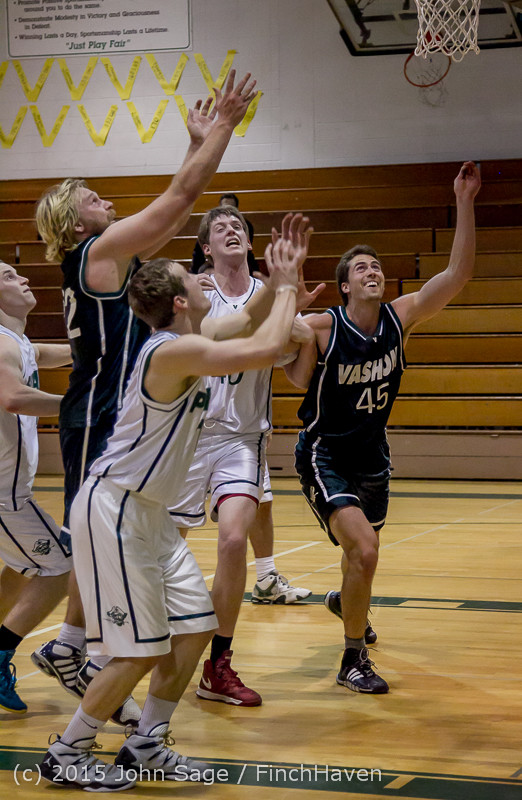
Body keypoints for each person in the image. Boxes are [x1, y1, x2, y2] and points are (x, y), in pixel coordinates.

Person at [39, 233, 300, 791]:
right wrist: (289, 289)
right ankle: (67, 751)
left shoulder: (191, 336)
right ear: (180, 301)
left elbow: (247, 321)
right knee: (139, 649)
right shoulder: (171, 350)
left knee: (196, 627)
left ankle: (145, 743)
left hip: (151, 515)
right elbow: (261, 347)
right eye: (192, 277)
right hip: (117, 507)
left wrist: (275, 283)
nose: (202, 279)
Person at [30, 70, 257, 709]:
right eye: (91, 197)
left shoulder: (105, 256)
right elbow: (182, 200)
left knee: (117, 523)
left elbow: (170, 209)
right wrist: (223, 129)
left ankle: (75, 642)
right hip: (98, 411)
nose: (104, 200)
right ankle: (74, 644)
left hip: (108, 409)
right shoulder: (98, 250)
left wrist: (195, 143)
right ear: (73, 223)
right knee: (103, 525)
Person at [285, 162, 481, 694]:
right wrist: (287, 309)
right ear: (346, 284)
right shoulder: (324, 326)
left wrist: (463, 201)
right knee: (365, 551)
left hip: (373, 455)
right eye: (363, 268)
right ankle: (352, 661)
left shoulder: (401, 317)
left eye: (378, 266)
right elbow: (285, 359)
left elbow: (457, 276)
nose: (374, 271)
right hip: (325, 453)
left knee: (361, 558)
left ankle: (346, 604)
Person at [169, 209, 321, 705]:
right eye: (220, 228)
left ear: (252, 244)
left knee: (234, 540)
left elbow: (298, 370)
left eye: (240, 227)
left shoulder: (268, 293)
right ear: (206, 248)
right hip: (187, 436)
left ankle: (218, 664)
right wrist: (291, 314)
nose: (232, 230)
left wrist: (304, 327)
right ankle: (115, 649)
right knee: (160, 547)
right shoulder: (192, 292)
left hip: (240, 438)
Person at [0, 261, 72, 713]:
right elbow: (13, 397)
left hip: (11, 492)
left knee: (22, 568)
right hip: (2, 497)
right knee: (61, 566)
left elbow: (65, 352)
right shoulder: (1, 345)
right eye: (8, 276)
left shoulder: (20, 343)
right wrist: (78, 404)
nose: (23, 279)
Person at [191, 192, 258, 275]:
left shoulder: (246, 225)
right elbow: (198, 255)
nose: (231, 230)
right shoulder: (209, 226)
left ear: (248, 243)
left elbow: (247, 255)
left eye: (236, 227)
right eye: (220, 229)